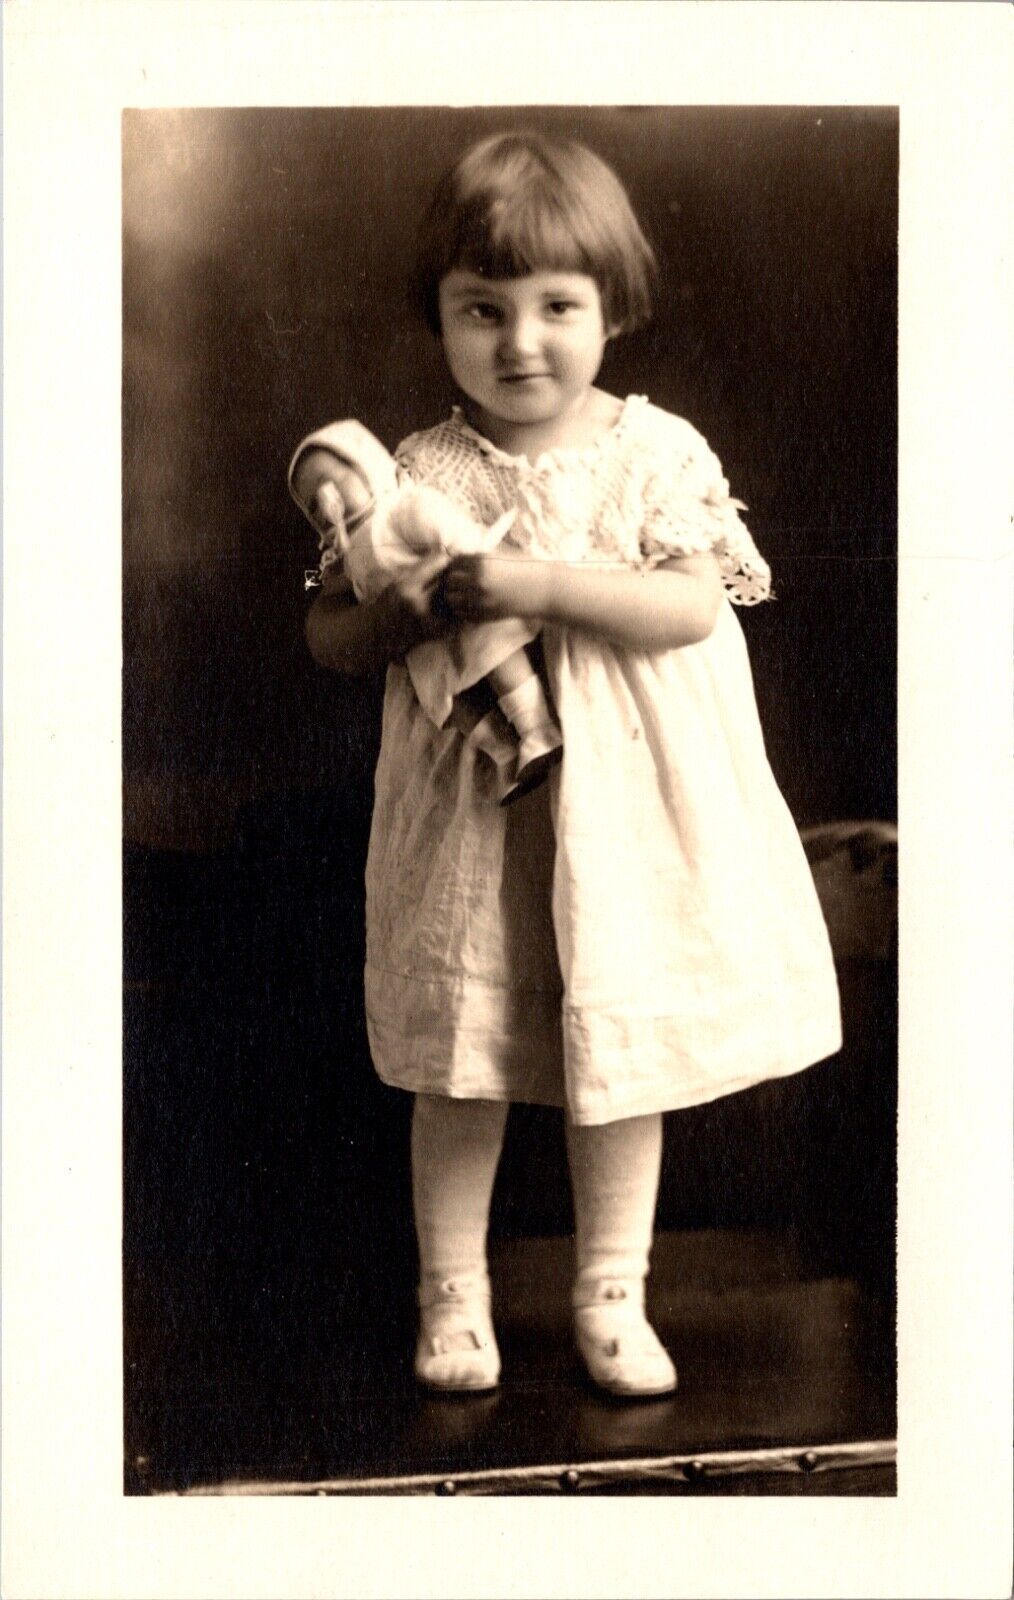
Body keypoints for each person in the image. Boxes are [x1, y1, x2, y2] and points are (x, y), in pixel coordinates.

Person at [302, 130, 842, 1398]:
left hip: (629, 807)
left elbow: (694, 607)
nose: (521, 343)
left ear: (616, 308)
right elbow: (330, 631)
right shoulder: (420, 469)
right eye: (481, 311)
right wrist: (405, 613)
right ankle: (454, 1293)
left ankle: (613, 1290)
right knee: (464, 1050)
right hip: (476, 815)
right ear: (438, 316)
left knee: (622, 1053)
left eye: (558, 307)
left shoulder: (652, 453)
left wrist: (539, 583)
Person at [289, 419, 563, 805]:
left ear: (367, 466)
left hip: (459, 609)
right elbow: (316, 586)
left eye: (335, 480)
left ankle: (537, 728)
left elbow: (447, 528)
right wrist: (316, 575)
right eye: (314, 502)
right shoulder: (343, 553)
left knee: (495, 656)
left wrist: (473, 552)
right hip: (420, 645)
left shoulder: (401, 508)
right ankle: (501, 752)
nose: (327, 498)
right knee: (449, 704)